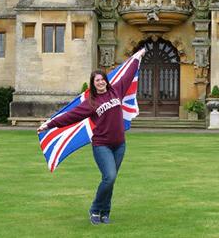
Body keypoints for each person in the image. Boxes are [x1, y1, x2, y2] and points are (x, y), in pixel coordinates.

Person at [37, 49, 145, 225]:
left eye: (102, 79)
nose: (101, 82)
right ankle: (95, 209)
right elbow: (70, 116)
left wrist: (137, 56)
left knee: (110, 180)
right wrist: (48, 124)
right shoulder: (91, 103)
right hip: (102, 145)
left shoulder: (116, 91)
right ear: (93, 84)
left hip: (120, 145)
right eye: (97, 81)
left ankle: (105, 213)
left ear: (106, 81)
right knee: (109, 177)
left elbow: (128, 73)